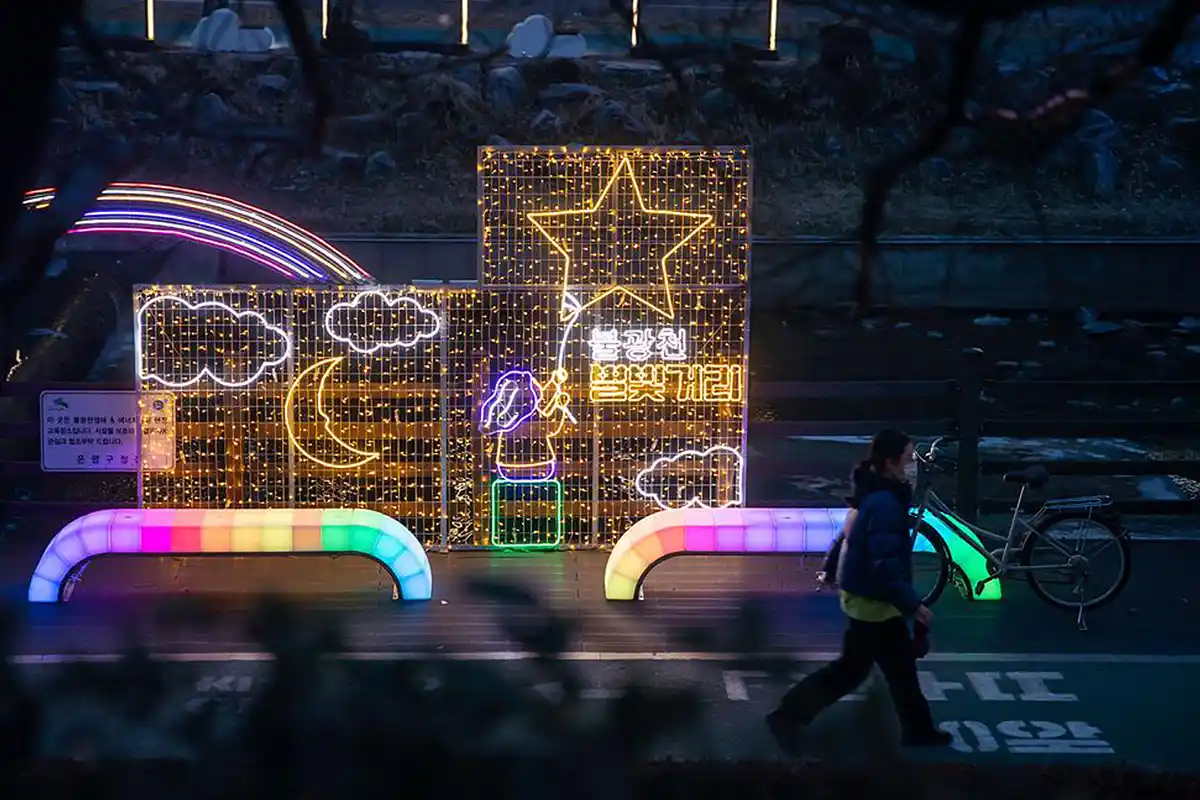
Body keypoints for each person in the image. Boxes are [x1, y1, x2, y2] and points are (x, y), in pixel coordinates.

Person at [766, 429, 951, 754]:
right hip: (874, 603)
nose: (913, 466)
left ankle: (918, 730)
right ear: (891, 462)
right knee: (857, 671)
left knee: (895, 670)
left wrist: (832, 565)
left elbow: (849, 534)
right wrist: (913, 605)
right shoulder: (885, 503)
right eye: (909, 460)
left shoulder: (875, 492)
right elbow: (885, 562)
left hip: (869, 599)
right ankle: (787, 716)